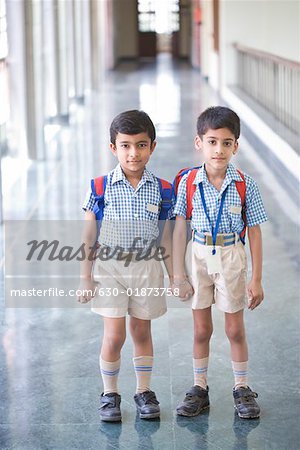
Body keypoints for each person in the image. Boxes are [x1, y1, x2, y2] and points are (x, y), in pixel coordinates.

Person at [172, 106, 267, 419]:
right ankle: (200, 387)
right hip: (198, 255)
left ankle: (242, 387)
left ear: (236, 146)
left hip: (231, 257)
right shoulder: (187, 183)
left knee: (234, 329)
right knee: (201, 330)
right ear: (199, 142)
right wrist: (178, 274)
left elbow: (254, 232)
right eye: (212, 141)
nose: (219, 149)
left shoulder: (245, 185)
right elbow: (181, 228)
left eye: (227, 142)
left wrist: (256, 279)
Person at [78, 110, 173, 422]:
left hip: (147, 267)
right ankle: (109, 394)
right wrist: (85, 278)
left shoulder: (162, 189)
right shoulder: (100, 187)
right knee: (115, 335)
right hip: (109, 269)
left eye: (141, 145)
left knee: (141, 330)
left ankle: (143, 391)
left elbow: (166, 238)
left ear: (152, 147)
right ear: (113, 148)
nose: (134, 153)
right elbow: (89, 234)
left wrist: (176, 277)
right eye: (126, 145)